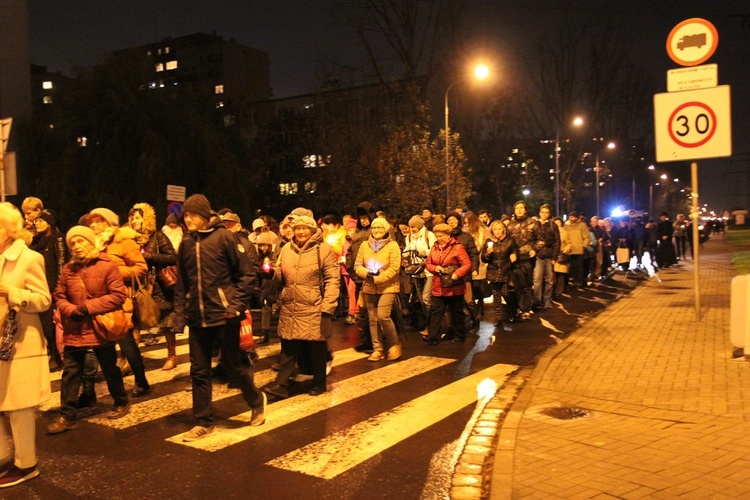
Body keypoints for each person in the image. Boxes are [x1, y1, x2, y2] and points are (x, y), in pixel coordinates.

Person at [172, 194, 265, 442]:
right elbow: (182, 282)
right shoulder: (186, 244)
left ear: (204, 215)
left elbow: (247, 275)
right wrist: (179, 315)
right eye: (185, 216)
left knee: (233, 367)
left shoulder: (224, 237)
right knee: (199, 371)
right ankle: (203, 421)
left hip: (225, 316)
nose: (188, 219)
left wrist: (235, 306)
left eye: (191, 214)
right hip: (198, 317)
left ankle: (256, 400)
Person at [47, 225, 131, 436]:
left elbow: (118, 295)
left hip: (99, 327)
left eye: (81, 241)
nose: (77, 246)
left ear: (91, 242)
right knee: (71, 372)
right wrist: (70, 310)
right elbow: (59, 295)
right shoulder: (68, 269)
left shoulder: (107, 265)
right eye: (73, 243)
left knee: (109, 368)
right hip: (75, 330)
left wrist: (87, 308)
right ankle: (67, 416)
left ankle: (121, 401)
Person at [0, 203, 52, 488]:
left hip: (19, 342)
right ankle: (3, 456)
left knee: (19, 407)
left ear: (10, 229)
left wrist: (13, 293)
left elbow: (43, 299)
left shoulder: (29, 258)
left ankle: (26, 464)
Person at [264, 215, 339, 398]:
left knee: (316, 348)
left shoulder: (323, 250)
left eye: (305, 228)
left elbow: (332, 279)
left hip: (314, 305)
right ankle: (281, 385)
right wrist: (272, 272)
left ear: (312, 230)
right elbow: (281, 274)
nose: (301, 231)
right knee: (288, 347)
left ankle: (319, 383)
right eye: (297, 228)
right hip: (290, 305)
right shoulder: (287, 249)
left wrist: (328, 305)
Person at [87, 208, 151, 397]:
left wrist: (112, 272)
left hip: (120, 301)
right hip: (98, 302)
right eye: (91, 222)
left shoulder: (123, 241)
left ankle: (141, 381)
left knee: (126, 344)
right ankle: (103, 391)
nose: (94, 225)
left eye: (99, 221)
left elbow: (141, 268)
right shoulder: (93, 245)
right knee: (103, 348)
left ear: (109, 223)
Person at [128, 203, 179, 367]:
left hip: (157, 285)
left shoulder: (157, 236)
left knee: (166, 323)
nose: (134, 221)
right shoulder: (128, 239)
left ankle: (172, 355)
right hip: (136, 285)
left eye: (138, 217)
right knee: (134, 321)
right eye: (132, 217)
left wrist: (150, 256)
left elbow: (172, 257)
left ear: (146, 219)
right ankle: (131, 360)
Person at [354, 217, 402, 361]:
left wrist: (378, 278)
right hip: (369, 287)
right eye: (374, 228)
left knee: (383, 316)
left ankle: (394, 343)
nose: (376, 231)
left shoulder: (392, 246)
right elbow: (357, 265)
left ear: (386, 229)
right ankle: (378, 349)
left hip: (388, 287)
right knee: (373, 319)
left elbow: (394, 267)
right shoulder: (364, 245)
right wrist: (367, 274)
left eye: (380, 228)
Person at [29, 209, 67, 371]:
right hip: (38, 288)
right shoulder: (35, 242)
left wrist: (58, 289)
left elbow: (61, 264)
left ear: (50, 222)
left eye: (40, 220)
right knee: (44, 326)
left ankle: (57, 357)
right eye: (36, 221)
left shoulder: (57, 239)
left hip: (52, 290)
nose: (36, 223)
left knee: (53, 326)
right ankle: (51, 354)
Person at [423, 223, 472, 345]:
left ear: (448, 235)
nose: (438, 238)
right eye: (436, 236)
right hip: (438, 285)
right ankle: (432, 337)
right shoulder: (434, 247)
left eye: (440, 236)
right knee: (436, 311)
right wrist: (435, 268)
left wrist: (457, 273)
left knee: (456, 311)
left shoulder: (457, 247)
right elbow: (428, 263)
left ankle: (460, 335)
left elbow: (467, 264)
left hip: (453, 286)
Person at [506, 201, 542, 320]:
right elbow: (507, 242)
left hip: (527, 257)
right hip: (514, 258)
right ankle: (517, 307)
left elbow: (541, 239)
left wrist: (535, 249)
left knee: (526, 284)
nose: (519, 210)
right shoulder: (510, 225)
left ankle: (526, 308)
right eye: (517, 208)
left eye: (521, 208)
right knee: (515, 285)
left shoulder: (533, 223)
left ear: (525, 210)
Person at [481, 220, 518, 330]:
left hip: (506, 271)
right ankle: (499, 317)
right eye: (495, 229)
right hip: (493, 272)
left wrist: (514, 255)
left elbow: (515, 250)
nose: (497, 231)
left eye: (499, 228)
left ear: (504, 229)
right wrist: (487, 254)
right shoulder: (489, 241)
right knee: (496, 297)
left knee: (506, 294)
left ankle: (512, 310)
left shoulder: (510, 241)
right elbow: (484, 258)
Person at [533, 204, 560, 310]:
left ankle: (547, 300)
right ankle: (536, 300)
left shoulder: (553, 225)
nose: (544, 214)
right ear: (539, 213)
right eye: (543, 212)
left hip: (549, 255)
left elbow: (557, 241)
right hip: (538, 255)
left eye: (546, 212)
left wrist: (554, 256)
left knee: (549, 279)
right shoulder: (535, 224)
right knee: (537, 279)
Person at [564, 212, 590, 289]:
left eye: (572, 217)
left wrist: (584, 245)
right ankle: (574, 281)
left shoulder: (582, 225)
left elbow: (586, 237)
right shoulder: (567, 225)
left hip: (579, 249)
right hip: (570, 249)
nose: (571, 218)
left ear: (576, 217)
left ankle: (580, 282)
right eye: (570, 217)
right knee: (572, 267)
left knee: (579, 267)